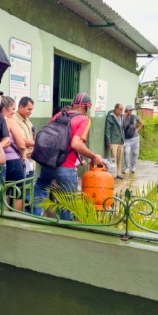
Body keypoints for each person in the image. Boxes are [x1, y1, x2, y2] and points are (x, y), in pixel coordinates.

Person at [33, 92, 103, 220]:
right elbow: (76, 144)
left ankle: (34, 218)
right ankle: (65, 228)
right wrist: (93, 156)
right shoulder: (84, 120)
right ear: (86, 107)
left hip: (48, 163)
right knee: (67, 202)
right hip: (66, 167)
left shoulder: (58, 115)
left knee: (41, 187)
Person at [0, 96, 26, 211]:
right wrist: (23, 154)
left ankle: (3, 218)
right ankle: (16, 219)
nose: (14, 112)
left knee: (3, 192)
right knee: (17, 193)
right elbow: (21, 144)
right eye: (12, 109)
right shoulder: (9, 122)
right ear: (5, 108)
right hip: (13, 162)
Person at [105, 103, 125, 179]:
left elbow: (122, 128)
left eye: (122, 109)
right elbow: (107, 129)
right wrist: (108, 141)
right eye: (120, 109)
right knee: (114, 157)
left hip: (120, 140)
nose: (121, 111)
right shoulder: (110, 117)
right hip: (113, 140)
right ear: (116, 109)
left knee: (119, 157)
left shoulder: (122, 117)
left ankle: (119, 173)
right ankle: (113, 173)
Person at [123, 105, 144, 174]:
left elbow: (141, 123)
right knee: (126, 152)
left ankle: (133, 166)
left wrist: (137, 130)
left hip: (135, 138)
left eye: (131, 110)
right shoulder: (123, 117)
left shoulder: (134, 117)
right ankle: (127, 167)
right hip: (127, 139)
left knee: (135, 153)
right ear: (126, 110)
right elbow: (120, 126)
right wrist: (124, 118)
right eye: (129, 110)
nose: (131, 111)